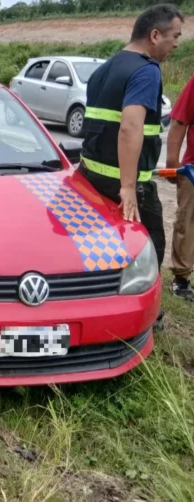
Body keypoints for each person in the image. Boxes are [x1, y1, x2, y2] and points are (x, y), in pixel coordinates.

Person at [78, 4, 184, 328]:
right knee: (148, 246)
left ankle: (97, 305)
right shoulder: (146, 70)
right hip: (125, 183)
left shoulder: (105, 68)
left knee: (99, 245)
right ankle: (145, 318)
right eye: (175, 36)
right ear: (155, 35)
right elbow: (129, 128)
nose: (177, 43)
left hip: (90, 178)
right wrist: (128, 187)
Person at [167, 74, 194, 299]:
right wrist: (172, 163)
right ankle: (181, 280)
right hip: (193, 171)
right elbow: (178, 122)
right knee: (187, 223)